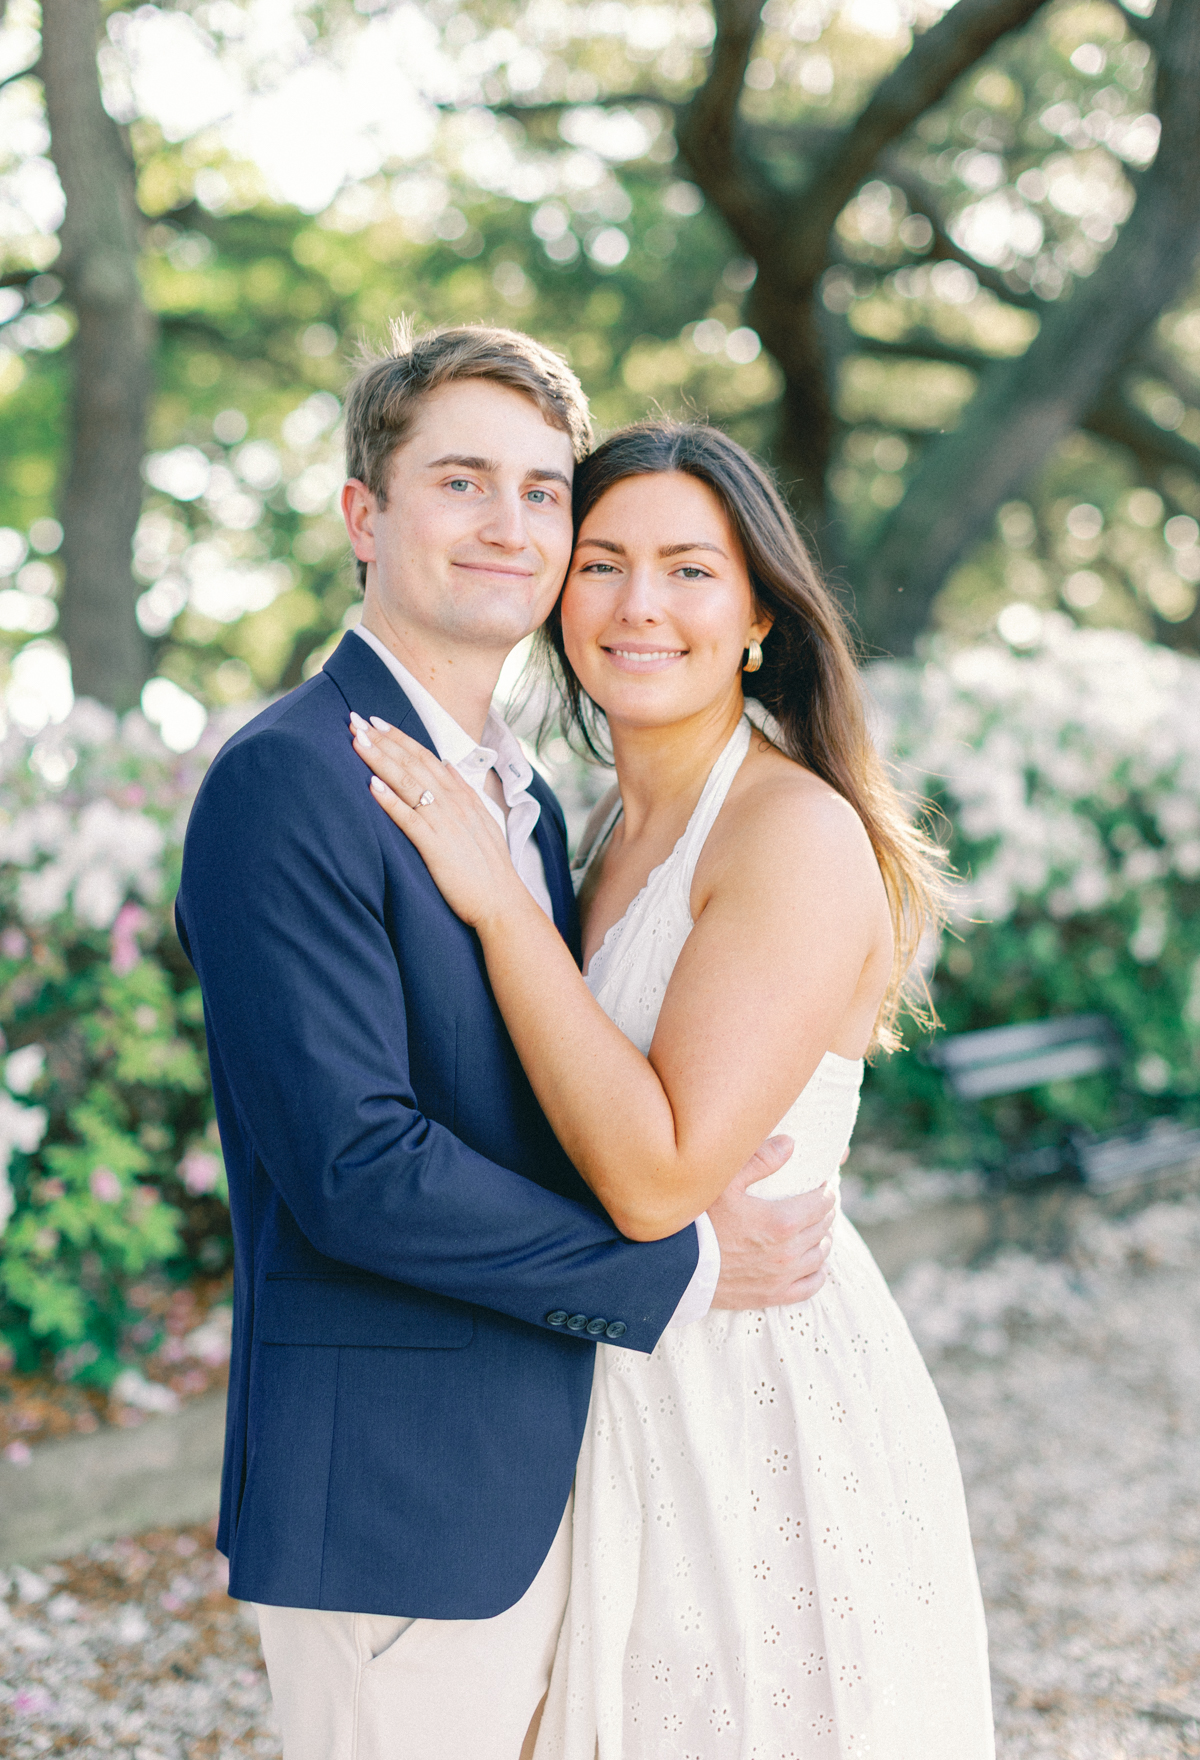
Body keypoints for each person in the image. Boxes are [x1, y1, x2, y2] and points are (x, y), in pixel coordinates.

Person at [175, 327, 839, 1760]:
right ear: (366, 516)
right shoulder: (290, 778)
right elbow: (355, 1166)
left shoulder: (533, 807)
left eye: (545, 491)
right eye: (462, 481)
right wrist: (680, 1262)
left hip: (576, 1468)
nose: (511, 525)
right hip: (399, 1498)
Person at [351, 418, 996, 1756]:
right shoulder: (593, 826)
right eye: (602, 563)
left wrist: (494, 910)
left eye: (690, 569)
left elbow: (654, 1177)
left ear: (759, 608)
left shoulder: (789, 832)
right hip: (597, 1373)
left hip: (746, 1401)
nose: (640, 604)